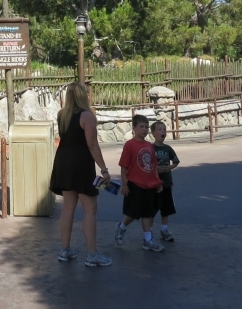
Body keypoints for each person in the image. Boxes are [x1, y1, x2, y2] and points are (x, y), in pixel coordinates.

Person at [49, 82, 113, 267]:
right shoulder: (87, 116)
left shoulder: (62, 115)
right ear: (83, 95)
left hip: (63, 161)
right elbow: (92, 144)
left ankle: (65, 249)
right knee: (90, 209)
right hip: (81, 163)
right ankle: (92, 254)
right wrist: (104, 169)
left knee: (68, 207)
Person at [114, 114, 165, 252]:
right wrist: (124, 184)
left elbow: (153, 165)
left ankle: (148, 240)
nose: (144, 129)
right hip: (135, 184)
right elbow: (124, 166)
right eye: (141, 126)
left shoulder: (149, 145)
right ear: (134, 128)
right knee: (133, 213)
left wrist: (157, 182)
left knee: (148, 213)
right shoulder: (129, 145)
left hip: (150, 184)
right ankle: (122, 227)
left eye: (146, 127)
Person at [150, 121, 179, 242]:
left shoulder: (168, 148)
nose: (163, 131)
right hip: (153, 183)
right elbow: (146, 163)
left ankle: (164, 229)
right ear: (153, 133)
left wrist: (169, 167)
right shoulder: (150, 148)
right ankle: (149, 231)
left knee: (166, 207)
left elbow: (176, 161)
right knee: (151, 208)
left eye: (164, 129)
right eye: (160, 129)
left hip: (166, 182)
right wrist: (155, 168)